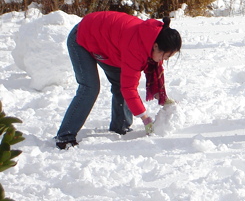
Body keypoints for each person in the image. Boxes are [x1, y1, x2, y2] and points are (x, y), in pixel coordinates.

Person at [55, 11, 182, 149]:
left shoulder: (154, 39)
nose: (164, 60)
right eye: (165, 56)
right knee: (90, 88)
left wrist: (161, 95)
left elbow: (147, 72)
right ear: (156, 46)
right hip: (82, 37)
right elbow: (129, 88)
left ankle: (121, 128)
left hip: (108, 45)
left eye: (168, 57)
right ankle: (65, 137)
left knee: (120, 82)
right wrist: (145, 118)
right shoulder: (136, 48)